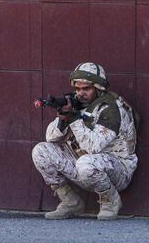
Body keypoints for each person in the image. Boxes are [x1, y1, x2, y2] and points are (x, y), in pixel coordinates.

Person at [31, 62, 138, 220]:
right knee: (40, 151)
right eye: (78, 89)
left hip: (117, 169)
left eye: (86, 89)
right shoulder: (78, 104)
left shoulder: (111, 109)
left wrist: (73, 119)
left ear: (98, 88)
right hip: (85, 163)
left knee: (86, 163)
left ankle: (111, 201)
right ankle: (71, 202)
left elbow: (93, 147)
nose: (80, 93)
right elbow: (50, 138)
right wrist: (63, 120)